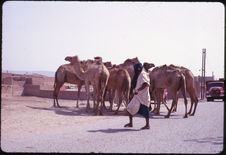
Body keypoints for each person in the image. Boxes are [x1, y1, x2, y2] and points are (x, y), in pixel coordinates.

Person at [124, 62, 151, 130]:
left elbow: (146, 84)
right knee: (129, 108)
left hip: (143, 96)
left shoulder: (142, 74)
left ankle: (147, 125)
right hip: (137, 96)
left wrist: (138, 90)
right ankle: (131, 123)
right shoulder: (139, 75)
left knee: (145, 110)